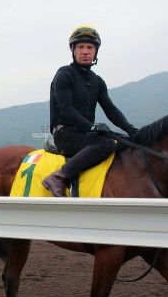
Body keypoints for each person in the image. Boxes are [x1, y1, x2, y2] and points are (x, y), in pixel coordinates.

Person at [41, 24, 139, 197]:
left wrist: (130, 129)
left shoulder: (97, 81)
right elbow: (66, 110)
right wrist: (91, 127)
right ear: (73, 50)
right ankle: (59, 177)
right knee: (106, 143)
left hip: (85, 133)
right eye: (80, 47)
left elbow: (110, 109)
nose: (85, 51)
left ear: (95, 52)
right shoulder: (64, 74)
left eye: (89, 47)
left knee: (125, 141)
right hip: (65, 133)